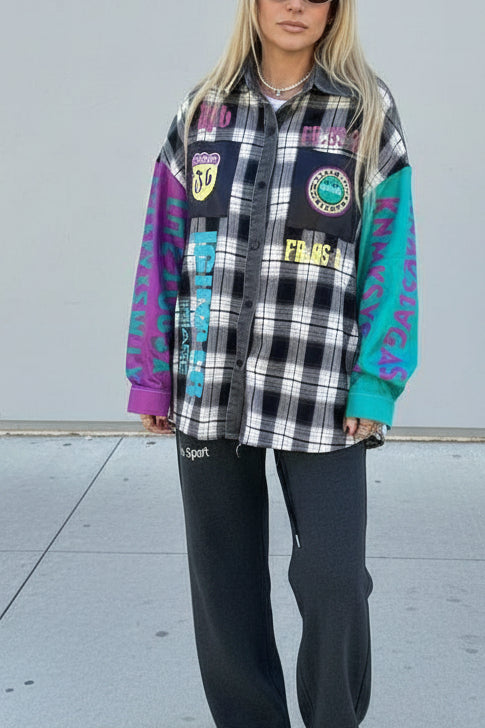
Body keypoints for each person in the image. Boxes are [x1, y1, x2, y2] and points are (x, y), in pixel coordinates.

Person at [125, 0, 419, 725]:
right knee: (223, 581)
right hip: (207, 380)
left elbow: (390, 255)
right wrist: (151, 372)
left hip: (321, 388)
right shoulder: (201, 110)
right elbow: (161, 245)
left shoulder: (365, 111)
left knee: (332, 578)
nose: (296, 4)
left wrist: (376, 383)